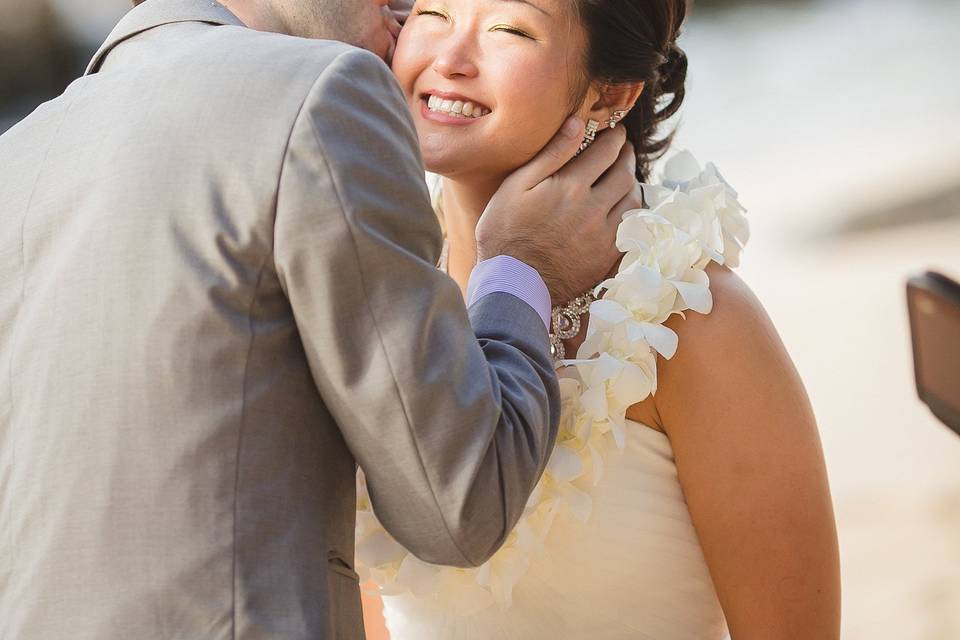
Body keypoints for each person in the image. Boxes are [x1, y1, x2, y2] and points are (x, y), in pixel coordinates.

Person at [0, 0, 641, 637]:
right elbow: (460, 504)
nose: (404, 16)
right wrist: (523, 265)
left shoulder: (20, 154)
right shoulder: (323, 91)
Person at [357, 1, 842, 638]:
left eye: (509, 28)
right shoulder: (366, 286)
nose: (449, 60)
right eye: (434, 11)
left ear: (608, 94)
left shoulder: (692, 323)